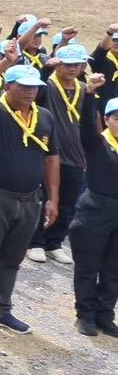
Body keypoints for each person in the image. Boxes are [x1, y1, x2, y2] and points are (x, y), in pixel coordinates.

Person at [0, 37, 58, 334]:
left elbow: (51, 158)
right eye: (24, 87)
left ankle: (3, 310)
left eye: (35, 88)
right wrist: (6, 62)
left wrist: (53, 198)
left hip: (30, 200)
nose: (31, 92)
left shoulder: (45, 117)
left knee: (12, 259)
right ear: (8, 87)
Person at [27, 44, 88, 264]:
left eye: (78, 64)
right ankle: (35, 241)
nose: (73, 69)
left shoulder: (84, 87)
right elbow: (35, 93)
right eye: (68, 64)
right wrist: (44, 69)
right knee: (43, 198)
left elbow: (93, 119)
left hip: (76, 154)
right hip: (47, 152)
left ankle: (55, 242)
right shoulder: (48, 86)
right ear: (58, 64)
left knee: (68, 201)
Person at [70, 83, 118, 336]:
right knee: (88, 265)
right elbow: (86, 124)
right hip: (94, 212)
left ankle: (105, 314)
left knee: (113, 269)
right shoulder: (97, 142)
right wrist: (89, 95)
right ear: (107, 119)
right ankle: (85, 314)